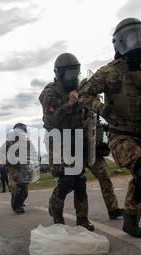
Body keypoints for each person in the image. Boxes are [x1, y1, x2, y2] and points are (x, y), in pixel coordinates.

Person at [78, 18, 141, 238]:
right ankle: (130, 219)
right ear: (120, 42)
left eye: (139, 35)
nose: (137, 40)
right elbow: (83, 94)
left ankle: (130, 220)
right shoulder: (109, 72)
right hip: (120, 136)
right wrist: (102, 108)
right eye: (132, 36)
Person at [39, 52, 94, 231]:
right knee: (66, 178)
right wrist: (69, 104)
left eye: (75, 73)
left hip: (76, 137)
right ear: (59, 74)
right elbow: (52, 120)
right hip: (58, 138)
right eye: (69, 74)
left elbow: (85, 111)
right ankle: (56, 212)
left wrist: (85, 120)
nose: (73, 78)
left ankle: (82, 219)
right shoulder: (50, 93)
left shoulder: (79, 89)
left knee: (80, 179)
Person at [79, 79, 124, 220]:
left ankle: (113, 209)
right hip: (78, 151)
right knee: (74, 183)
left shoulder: (95, 108)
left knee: (104, 177)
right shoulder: (76, 109)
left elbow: (95, 125)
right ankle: (79, 216)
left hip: (93, 151)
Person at [4, 123, 35, 214]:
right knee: (17, 187)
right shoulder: (9, 142)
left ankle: (20, 202)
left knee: (25, 191)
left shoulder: (25, 142)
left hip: (23, 167)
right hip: (13, 168)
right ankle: (16, 206)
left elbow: (31, 153)